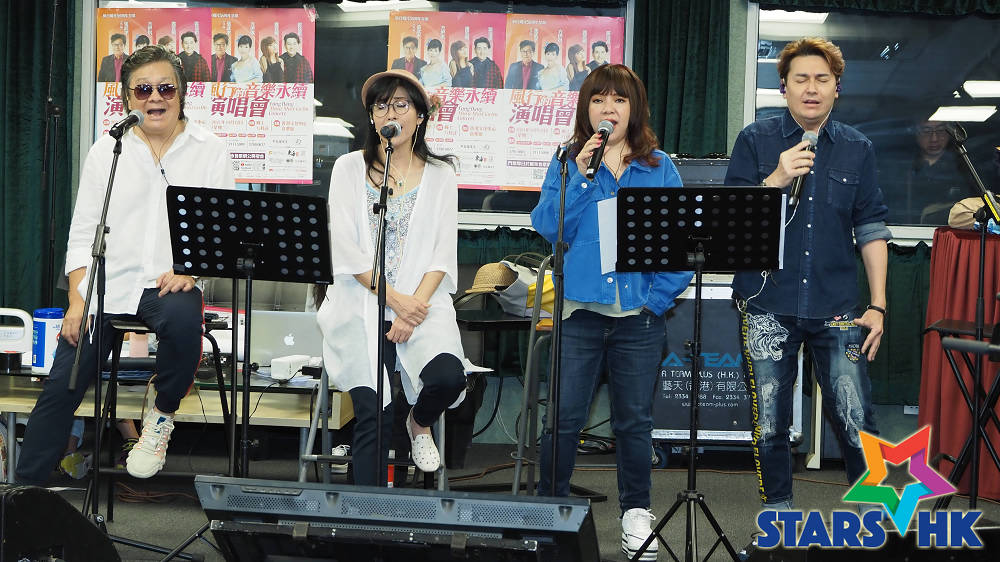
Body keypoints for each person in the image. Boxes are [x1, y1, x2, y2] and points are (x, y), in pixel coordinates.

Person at [14, 46, 235, 486]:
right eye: (143, 90)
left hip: (167, 283)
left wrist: (191, 270)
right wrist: (77, 301)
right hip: (107, 285)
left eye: (166, 88)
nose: (155, 98)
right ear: (126, 98)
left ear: (182, 93)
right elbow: (83, 234)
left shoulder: (210, 150)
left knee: (184, 319)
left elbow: (222, 232)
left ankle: (161, 415)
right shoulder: (107, 151)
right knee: (62, 385)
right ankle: (22, 495)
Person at [530, 64, 692, 561]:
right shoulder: (568, 160)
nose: (609, 108)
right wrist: (580, 177)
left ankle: (636, 514)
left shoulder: (659, 167)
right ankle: (550, 513)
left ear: (633, 109)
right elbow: (550, 227)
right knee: (562, 420)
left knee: (634, 423)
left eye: (619, 100)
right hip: (579, 314)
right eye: (599, 99)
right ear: (587, 109)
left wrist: (656, 302)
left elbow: (683, 245)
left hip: (638, 317)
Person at [725, 37, 889, 512]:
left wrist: (878, 305)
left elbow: (871, 228)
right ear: (784, 87)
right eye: (801, 79)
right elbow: (729, 222)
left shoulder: (858, 148)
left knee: (857, 419)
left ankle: (875, 517)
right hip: (767, 302)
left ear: (837, 87)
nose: (811, 89)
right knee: (770, 422)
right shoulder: (755, 140)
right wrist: (776, 180)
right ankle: (778, 516)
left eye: (822, 79)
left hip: (837, 306)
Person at [316, 69, 467, 486]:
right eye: (381, 106)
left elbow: (442, 254)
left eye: (401, 105)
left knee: (448, 378)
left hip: (422, 304)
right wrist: (394, 300)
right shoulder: (349, 168)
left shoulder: (441, 175)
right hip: (359, 304)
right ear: (371, 117)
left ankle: (418, 423)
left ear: (420, 116)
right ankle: (363, 516)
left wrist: (410, 309)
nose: (390, 114)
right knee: (374, 413)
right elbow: (345, 249)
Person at [888, 120, 977, 224]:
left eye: (940, 130)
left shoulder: (965, 166)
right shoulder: (902, 166)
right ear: (916, 133)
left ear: (950, 133)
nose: (934, 138)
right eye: (926, 131)